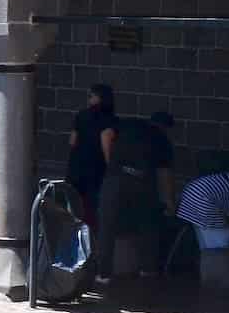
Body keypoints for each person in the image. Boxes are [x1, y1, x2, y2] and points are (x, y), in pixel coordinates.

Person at [95, 110, 178, 283]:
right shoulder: (162, 139)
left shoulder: (129, 124)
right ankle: (147, 270)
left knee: (107, 225)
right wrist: (170, 202)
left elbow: (105, 133)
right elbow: (164, 175)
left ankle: (103, 274)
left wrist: (110, 163)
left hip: (116, 178)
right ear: (166, 127)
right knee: (148, 224)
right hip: (143, 182)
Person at [67, 84, 117, 215]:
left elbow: (72, 141)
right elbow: (106, 144)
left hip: (77, 166)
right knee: (94, 208)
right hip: (96, 167)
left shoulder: (81, 115)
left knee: (75, 207)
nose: (88, 100)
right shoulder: (111, 120)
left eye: (91, 96)